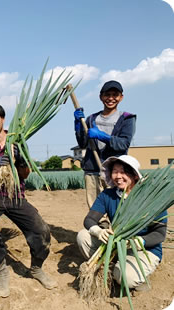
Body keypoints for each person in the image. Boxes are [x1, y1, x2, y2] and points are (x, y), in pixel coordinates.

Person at [0, 103, 57, 298]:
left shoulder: (18, 143)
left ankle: (36, 268)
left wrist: (19, 161)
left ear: (3, 119)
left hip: (15, 194)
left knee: (41, 230)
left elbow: (25, 175)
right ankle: (2, 271)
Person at [77, 155, 167, 290]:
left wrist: (138, 242)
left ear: (135, 175)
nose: (118, 176)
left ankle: (136, 274)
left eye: (123, 172)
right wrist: (98, 230)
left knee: (125, 278)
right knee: (83, 236)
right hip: (117, 245)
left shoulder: (150, 199)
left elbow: (160, 234)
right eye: (114, 171)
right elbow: (89, 219)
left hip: (144, 249)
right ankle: (108, 266)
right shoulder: (108, 195)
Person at [74, 80, 136, 208]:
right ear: (101, 96)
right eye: (107, 95)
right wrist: (79, 125)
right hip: (93, 171)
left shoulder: (126, 118)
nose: (111, 98)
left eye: (115, 95)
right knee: (96, 207)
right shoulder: (91, 119)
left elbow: (123, 144)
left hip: (116, 172)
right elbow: (82, 143)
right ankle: (100, 228)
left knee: (116, 206)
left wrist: (103, 136)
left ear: (121, 97)